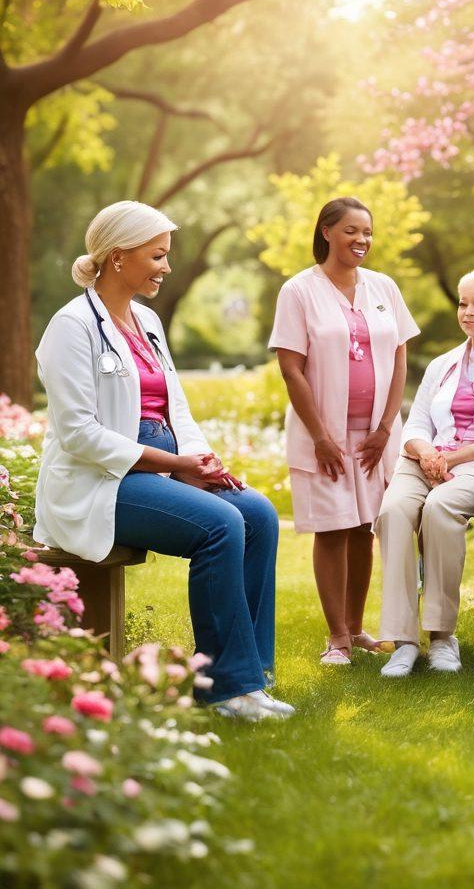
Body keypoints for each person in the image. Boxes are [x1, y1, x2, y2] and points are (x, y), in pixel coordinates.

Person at [34, 201, 289, 721]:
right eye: (157, 256)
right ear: (119, 256)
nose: (166, 268)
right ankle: (225, 690)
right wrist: (167, 463)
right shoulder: (72, 326)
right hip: (102, 478)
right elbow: (80, 435)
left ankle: (251, 678)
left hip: (158, 459)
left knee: (257, 513)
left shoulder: (147, 320)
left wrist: (199, 460)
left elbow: (176, 408)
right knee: (220, 525)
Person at [270, 197, 419, 665]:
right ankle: (336, 637)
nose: (362, 240)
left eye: (368, 233)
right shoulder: (299, 291)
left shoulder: (383, 287)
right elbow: (291, 369)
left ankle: (356, 630)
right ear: (327, 232)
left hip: (376, 435)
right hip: (325, 434)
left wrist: (386, 426)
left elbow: (398, 357)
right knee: (333, 529)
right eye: (352, 230)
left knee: (364, 528)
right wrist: (320, 437)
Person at [375, 268, 474, 677]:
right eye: (463, 302)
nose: (468, 311)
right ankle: (403, 641)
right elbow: (416, 422)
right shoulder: (442, 364)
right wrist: (426, 453)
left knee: (440, 508)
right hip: (426, 460)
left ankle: (442, 635)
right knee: (393, 512)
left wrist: (456, 459)